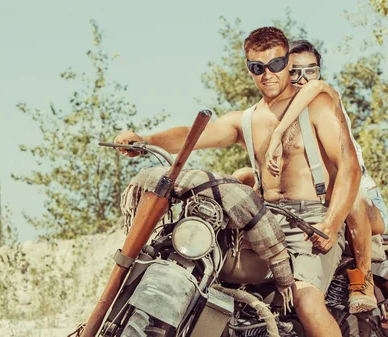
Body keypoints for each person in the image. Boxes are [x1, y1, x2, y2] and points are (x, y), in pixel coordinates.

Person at [115, 26, 359, 337]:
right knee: (200, 269)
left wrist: (332, 223)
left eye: (276, 65)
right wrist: (146, 139)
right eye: (257, 68)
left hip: (310, 222)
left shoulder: (316, 106)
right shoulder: (246, 120)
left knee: (305, 298)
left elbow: (350, 167)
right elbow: (195, 135)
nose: (267, 75)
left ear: (288, 62)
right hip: (262, 220)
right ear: (249, 69)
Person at [233, 39, 388, 313]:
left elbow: (313, 89)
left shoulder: (325, 95)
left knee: (348, 191)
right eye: (296, 72)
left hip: (364, 200)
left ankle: (362, 278)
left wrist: (278, 133)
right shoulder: (275, 111)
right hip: (309, 204)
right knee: (242, 176)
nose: (304, 79)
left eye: (311, 70)